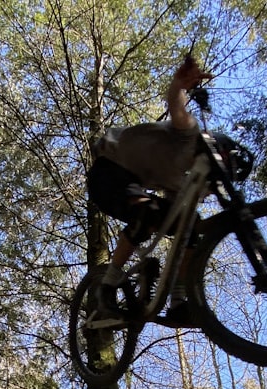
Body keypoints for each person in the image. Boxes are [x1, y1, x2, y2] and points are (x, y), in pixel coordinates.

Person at [86, 56, 213, 327]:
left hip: (130, 183)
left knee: (187, 227)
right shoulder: (189, 135)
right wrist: (179, 85)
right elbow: (176, 108)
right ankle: (107, 286)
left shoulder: (178, 181)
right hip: (108, 171)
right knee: (147, 211)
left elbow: (179, 222)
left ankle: (177, 302)